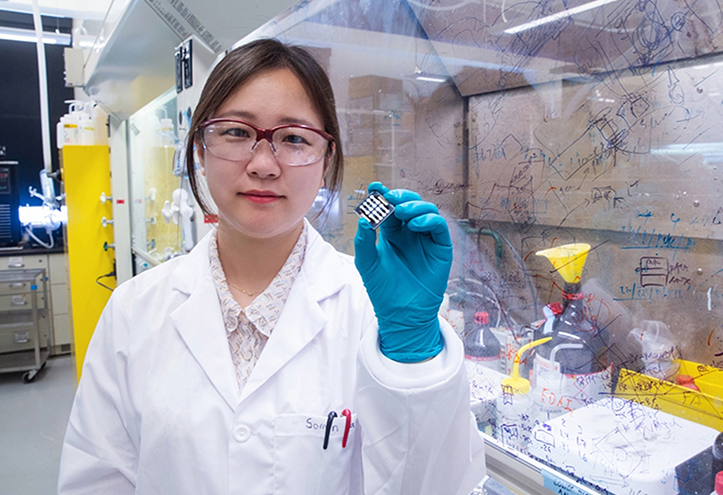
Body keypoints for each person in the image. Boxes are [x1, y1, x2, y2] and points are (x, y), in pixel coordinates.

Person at [57, 39, 485, 494]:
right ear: (200, 149)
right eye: (237, 132)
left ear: (326, 161)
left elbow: (442, 485)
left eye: (294, 138)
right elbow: (96, 480)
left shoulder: (373, 315)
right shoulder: (133, 311)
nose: (263, 164)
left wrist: (412, 357)